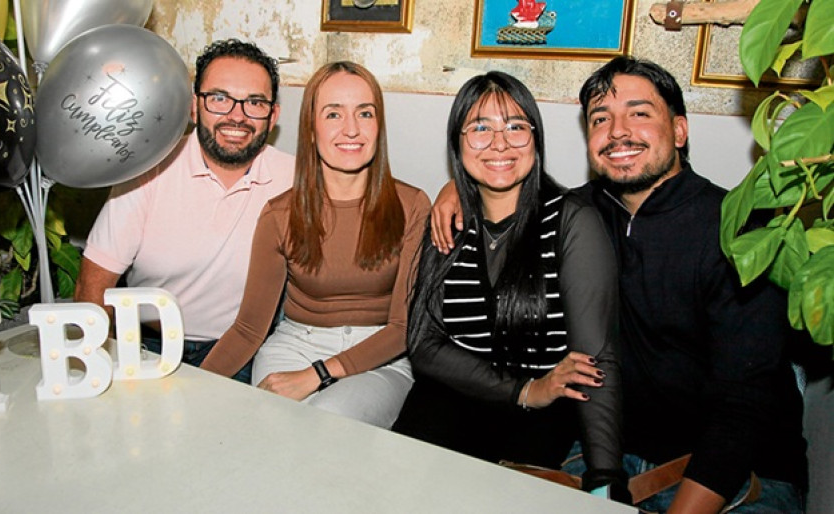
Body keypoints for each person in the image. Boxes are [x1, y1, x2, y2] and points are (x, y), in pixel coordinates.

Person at [431, 57, 808, 513]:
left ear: (680, 131)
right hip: (605, 455)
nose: (617, 131)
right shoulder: (576, 217)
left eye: (640, 113)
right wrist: (457, 190)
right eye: (600, 118)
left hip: (741, 474)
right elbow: (506, 191)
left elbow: (744, 409)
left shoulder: (742, 232)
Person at [391, 71, 628, 501]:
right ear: (457, 144)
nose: (499, 143)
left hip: (538, 420)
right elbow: (424, 345)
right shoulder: (449, 220)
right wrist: (522, 390)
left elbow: (596, 357)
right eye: (480, 128)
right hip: (446, 400)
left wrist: (605, 478)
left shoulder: (571, 221)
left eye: (516, 127)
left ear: (535, 141)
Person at [199, 61, 431, 429]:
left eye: (365, 113)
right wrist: (191, 391)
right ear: (310, 128)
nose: (351, 129)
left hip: (381, 356)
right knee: (271, 427)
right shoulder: (279, 214)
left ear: (378, 125)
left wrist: (316, 375)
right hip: (295, 345)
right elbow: (248, 329)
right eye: (333, 113)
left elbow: (404, 328)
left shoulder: (412, 206)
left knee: (331, 420)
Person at [75, 39, 294, 381]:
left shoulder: (294, 179)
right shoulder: (148, 170)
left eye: (254, 102)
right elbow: (93, 286)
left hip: (246, 351)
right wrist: (103, 366)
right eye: (219, 98)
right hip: (148, 346)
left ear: (273, 115)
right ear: (194, 106)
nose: (237, 115)